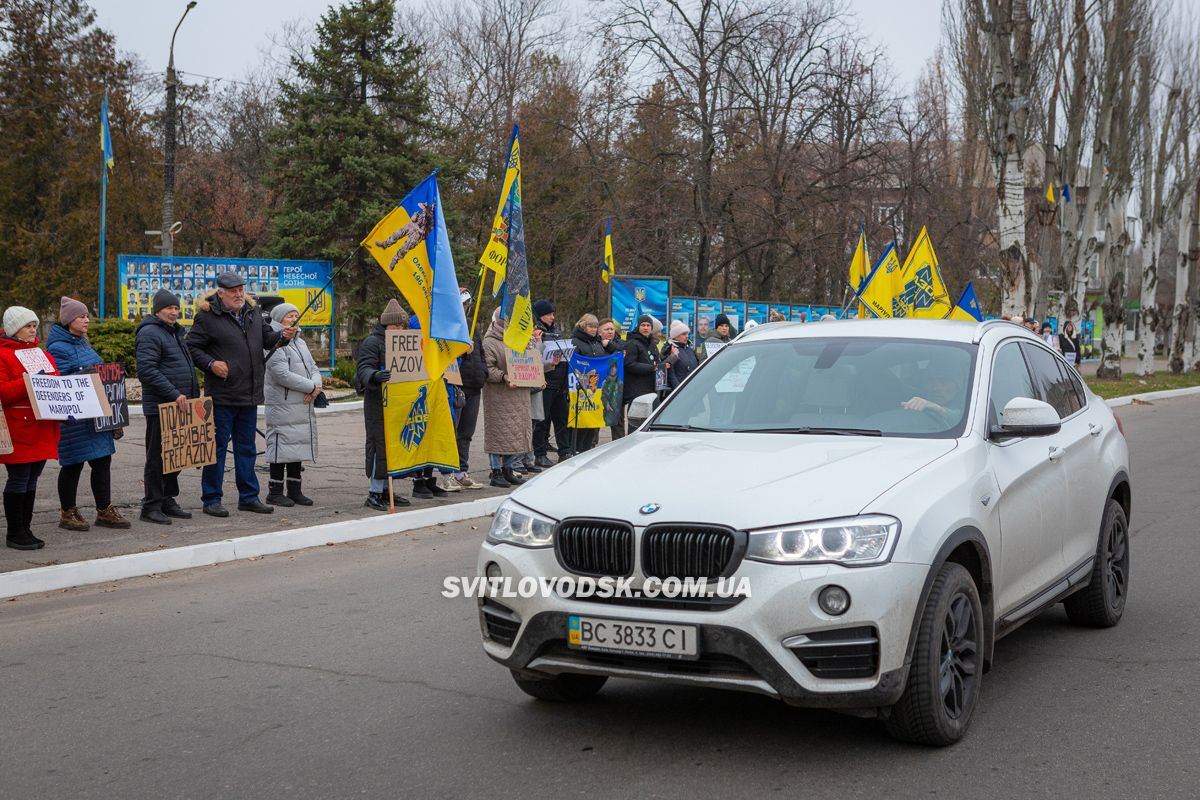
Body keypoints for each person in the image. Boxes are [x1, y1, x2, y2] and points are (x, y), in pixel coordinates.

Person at [187, 270, 295, 517]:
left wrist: (283, 336)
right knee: (217, 449)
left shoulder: (253, 311)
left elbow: (267, 339)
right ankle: (211, 498)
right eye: (233, 291)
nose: (239, 294)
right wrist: (211, 363)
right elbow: (191, 347)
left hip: (249, 393)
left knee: (246, 448)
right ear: (221, 293)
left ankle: (248, 496)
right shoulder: (207, 316)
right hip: (222, 395)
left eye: (241, 289)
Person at [46, 298, 130, 531]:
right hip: (75, 422)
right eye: (81, 316)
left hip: (96, 419)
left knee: (103, 461)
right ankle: (67, 513)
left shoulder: (82, 343)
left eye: (86, 316)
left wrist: (115, 417)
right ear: (69, 320)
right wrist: (87, 375)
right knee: (73, 465)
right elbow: (60, 384)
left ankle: (104, 510)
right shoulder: (57, 348)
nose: (86, 320)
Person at [135, 289, 199, 525]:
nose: (174, 312)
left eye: (176, 308)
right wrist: (174, 394)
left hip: (179, 406)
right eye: (169, 308)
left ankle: (167, 499)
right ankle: (151, 505)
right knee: (157, 458)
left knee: (176, 455)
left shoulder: (174, 332)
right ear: (157, 310)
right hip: (161, 406)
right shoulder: (150, 333)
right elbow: (147, 371)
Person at [1, 307, 59, 549]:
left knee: (32, 479)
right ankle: (14, 533)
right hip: (18, 429)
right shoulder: (3, 355)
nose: (33, 329)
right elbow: (3, 392)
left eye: (35, 325)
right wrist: (30, 380)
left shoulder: (41, 353)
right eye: (28, 326)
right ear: (14, 329)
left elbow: (56, 380)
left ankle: (25, 528)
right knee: (19, 479)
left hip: (42, 426)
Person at [263, 303, 322, 508]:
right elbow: (281, 374)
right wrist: (311, 387)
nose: (295, 318)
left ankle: (295, 490)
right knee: (281, 446)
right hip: (283, 403)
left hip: (302, 402)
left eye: (297, 315)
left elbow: (313, 367)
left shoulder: (301, 342)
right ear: (280, 319)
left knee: (297, 446)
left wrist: (316, 385)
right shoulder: (274, 341)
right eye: (290, 316)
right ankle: (275, 492)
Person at [355, 299, 411, 511]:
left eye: (402, 326)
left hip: (397, 404)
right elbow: (363, 369)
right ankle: (375, 492)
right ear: (387, 324)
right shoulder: (372, 342)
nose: (399, 329)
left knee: (394, 448)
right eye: (396, 326)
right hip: (377, 403)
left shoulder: (403, 341)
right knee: (379, 447)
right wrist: (375, 375)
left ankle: (388, 490)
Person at [482, 308, 540, 487]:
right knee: (498, 434)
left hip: (519, 395)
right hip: (499, 396)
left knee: (514, 434)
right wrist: (503, 376)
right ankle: (496, 470)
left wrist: (539, 377)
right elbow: (488, 369)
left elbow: (531, 361)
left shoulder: (520, 340)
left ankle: (508, 469)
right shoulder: (489, 342)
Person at [449, 290, 486, 490]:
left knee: (467, 432)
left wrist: (483, 373)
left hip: (474, 384)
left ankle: (462, 470)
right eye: (462, 304)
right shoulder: (448, 323)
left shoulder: (471, 326)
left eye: (467, 304)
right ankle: (451, 471)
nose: (465, 308)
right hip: (457, 384)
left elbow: (480, 352)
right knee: (454, 430)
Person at [532, 299, 570, 467]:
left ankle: (565, 451)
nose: (552, 317)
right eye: (548, 314)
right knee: (542, 421)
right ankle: (539, 453)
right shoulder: (535, 333)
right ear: (540, 315)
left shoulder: (556, 333)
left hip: (560, 384)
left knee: (562, 419)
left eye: (553, 314)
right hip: (545, 383)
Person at [569, 313, 607, 454]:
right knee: (582, 423)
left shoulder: (597, 343)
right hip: (580, 389)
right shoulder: (575, 342)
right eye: (591, 326)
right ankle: (576, 450)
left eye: (596, 327)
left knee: (592, 423)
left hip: (595, 389)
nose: (593, 329)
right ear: (583, 326)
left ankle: (587, 450)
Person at [621, 315, 661, 433]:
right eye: (643, 325)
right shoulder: (632, 343)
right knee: (636, 426)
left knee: (648, 425)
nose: (645, 328)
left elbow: (656, 362)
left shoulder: (652, 344)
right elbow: (629, 364)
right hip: (636, 391)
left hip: (650, 390)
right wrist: (651, 368)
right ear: (638, 327)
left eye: (648, 325)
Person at [598, 318, 627, 440]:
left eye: (612, 329)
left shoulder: (621, 343)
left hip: (617, 389)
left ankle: (619, 445)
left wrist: (609, 345)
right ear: (599, 332)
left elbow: (621, 352)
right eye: (606, 329)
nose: (610, 331)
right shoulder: (595, 345)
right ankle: (591, 448)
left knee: (618, 422)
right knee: (596, 420)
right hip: (599, 387)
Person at [663, 319, 700, 390]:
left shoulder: (690, 349)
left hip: (693, 388)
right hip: (679, 390)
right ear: (676, 336)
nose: (687, 336)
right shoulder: (670, 349)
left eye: (687, 333)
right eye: (683, 334)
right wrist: (678, 389)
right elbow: (670, 373)